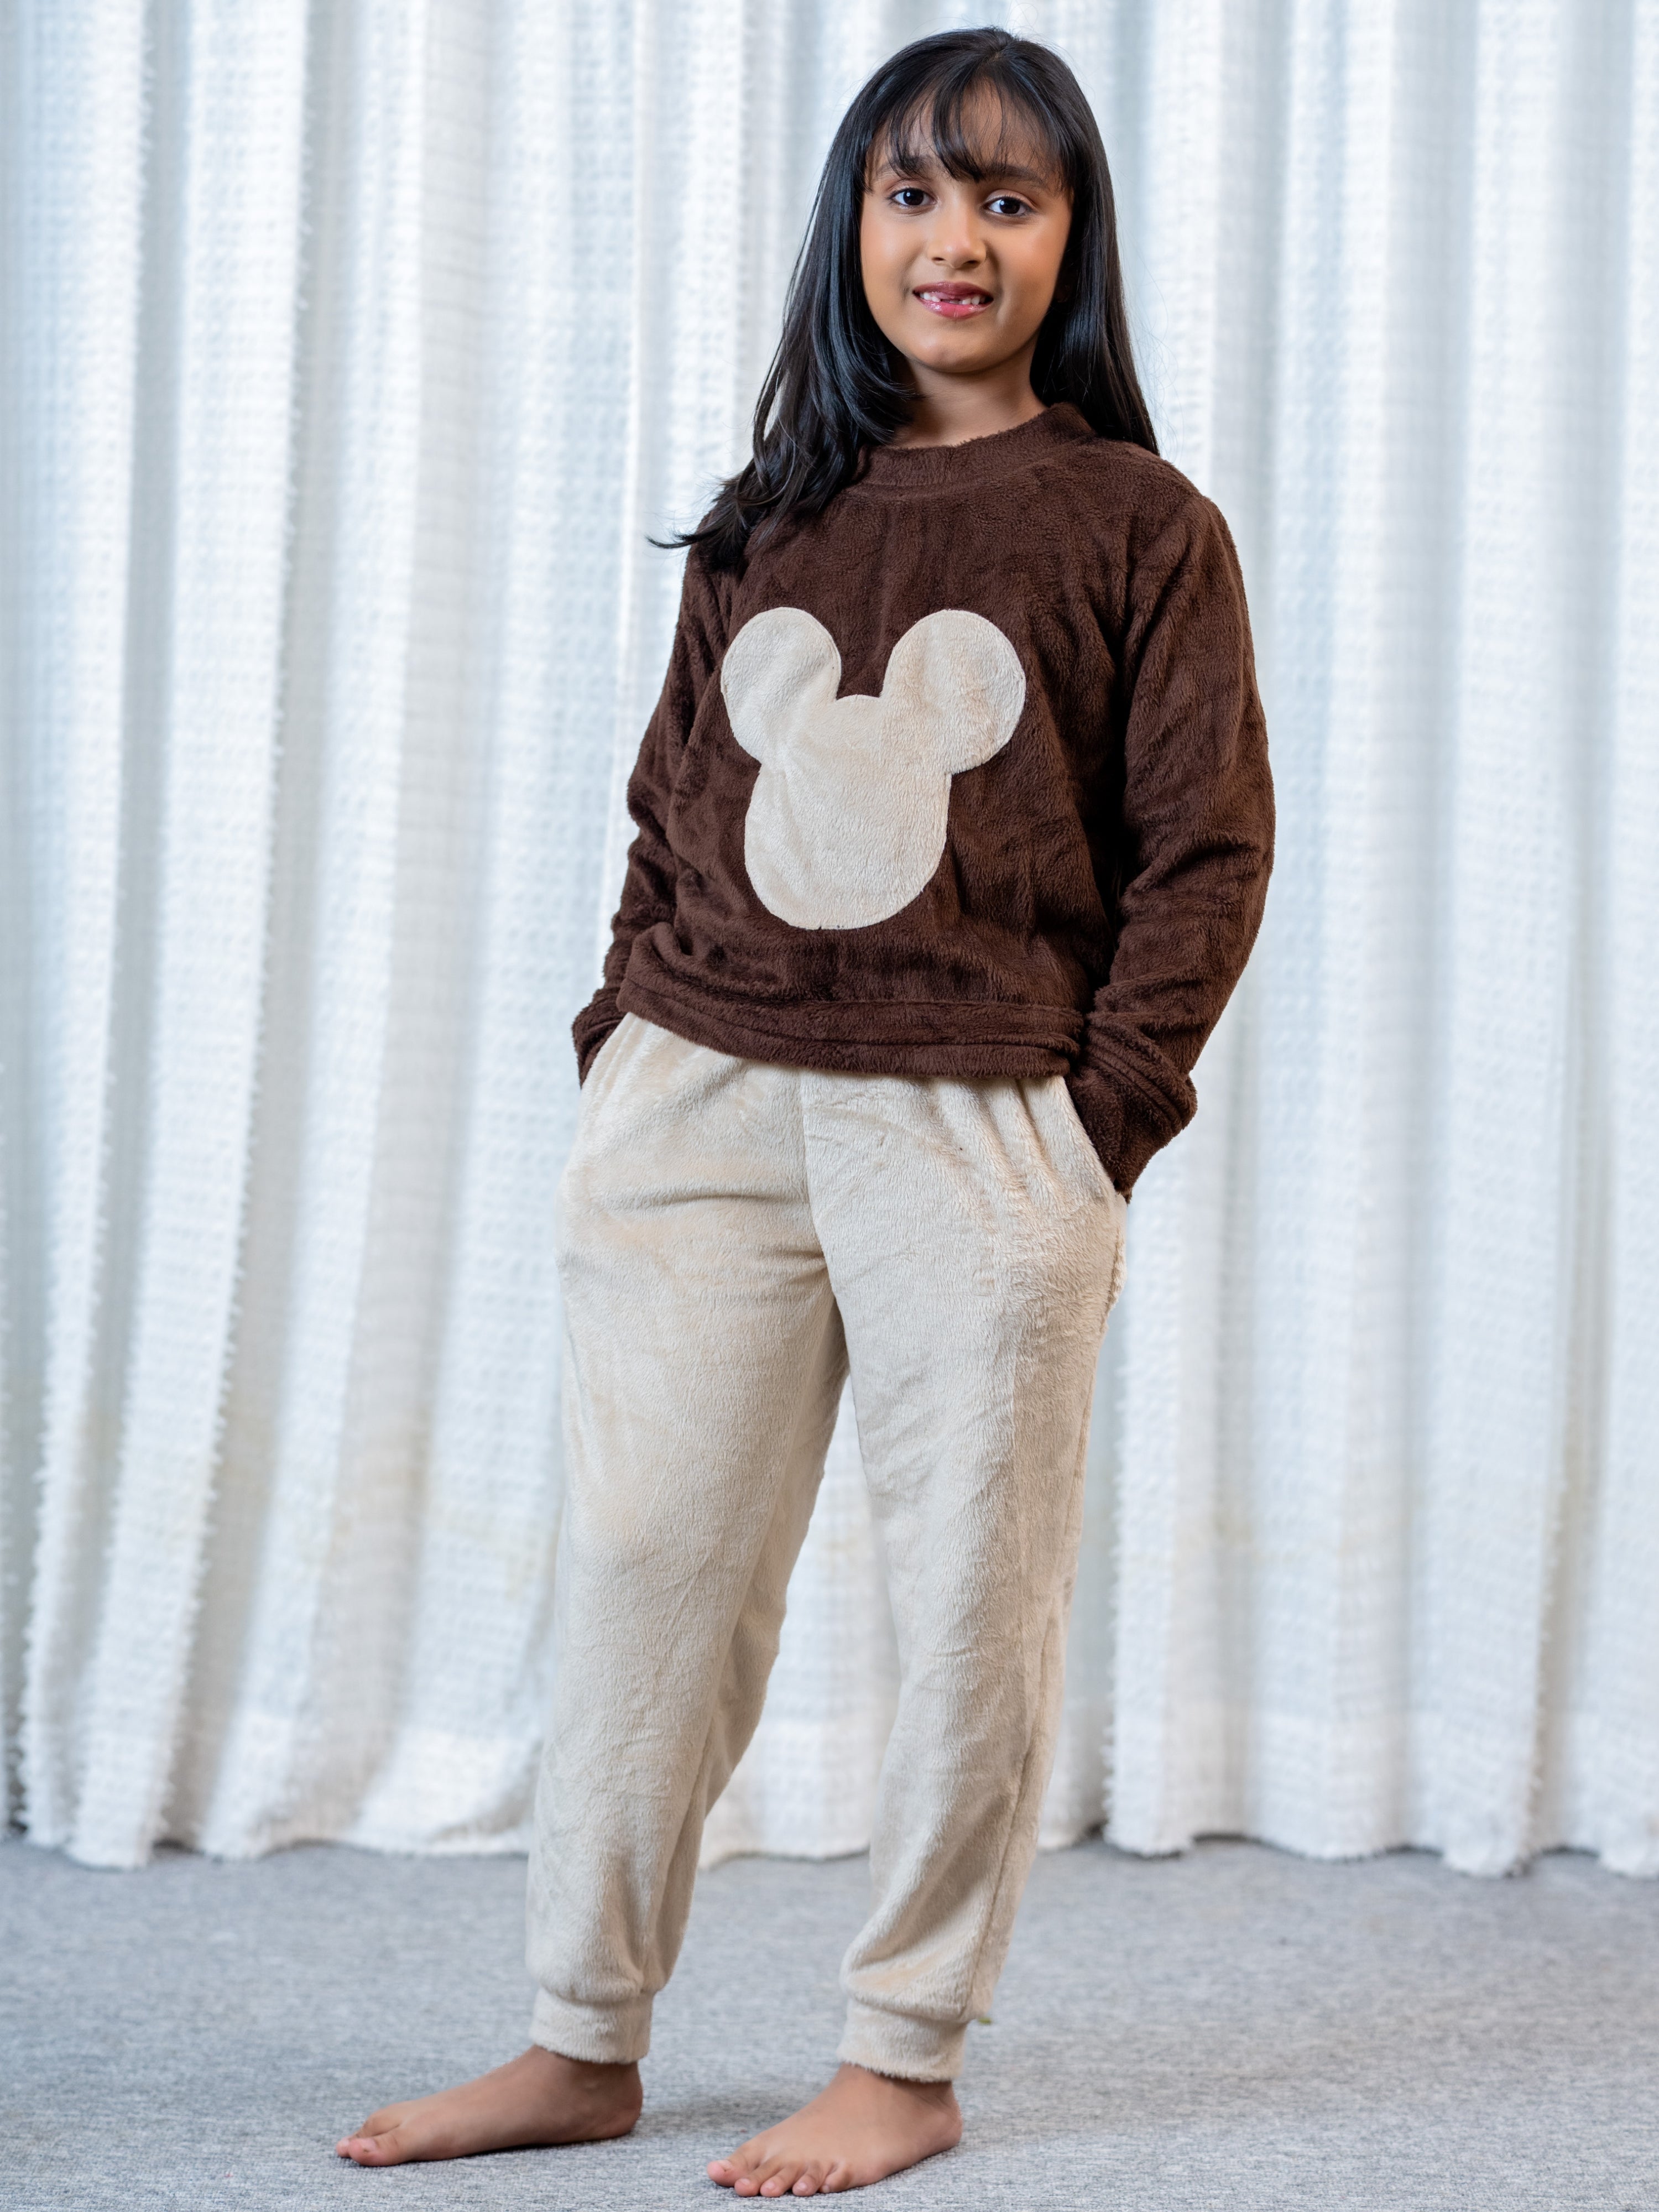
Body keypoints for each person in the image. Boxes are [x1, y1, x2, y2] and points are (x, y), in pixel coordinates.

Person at [336, 24, 1273, 2198]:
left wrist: (1100, 1120)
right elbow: (673, 797)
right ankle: (581, 2033)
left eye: (1010, 198)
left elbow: (1206, 850)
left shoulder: (1141, 524)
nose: (957, 237)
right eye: (914, 190)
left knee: (969, 1597)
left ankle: (905, 2058)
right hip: (701, 1096)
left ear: (1073, 240)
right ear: (853, 221)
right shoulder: (770, 511)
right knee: (649, 1563)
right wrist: (623, 1034)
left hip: (981, 1123)